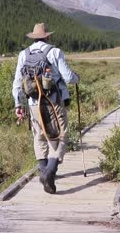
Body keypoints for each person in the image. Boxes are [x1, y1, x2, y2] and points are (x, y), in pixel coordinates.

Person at [12, 23, 79, 194]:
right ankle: (48, 173)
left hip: (33, 103)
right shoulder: (54, 52)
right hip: (52, 103)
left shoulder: (23, 54)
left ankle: (44, 172)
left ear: (34, 37)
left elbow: (17, 83)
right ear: (47, 36)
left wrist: (18, 104)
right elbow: (69, 78)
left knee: (39, 136)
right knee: (60, 136)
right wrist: (77, 77)